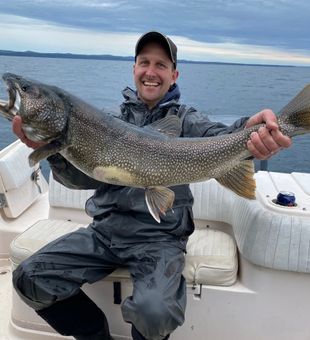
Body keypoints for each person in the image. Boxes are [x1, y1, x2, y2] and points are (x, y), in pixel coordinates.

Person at [11, 31, 292, 340]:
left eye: (161, 64)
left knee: (155, 313)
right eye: (144, 62)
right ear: (134, 69)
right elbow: (78, 179)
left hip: (160, 240)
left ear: (174, 74)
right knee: (29, 278)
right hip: (105, 233)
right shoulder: (108, 119)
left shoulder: (186, 120)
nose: (151, 71)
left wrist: (250, 131)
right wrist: (56, 149)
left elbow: (219, 135)